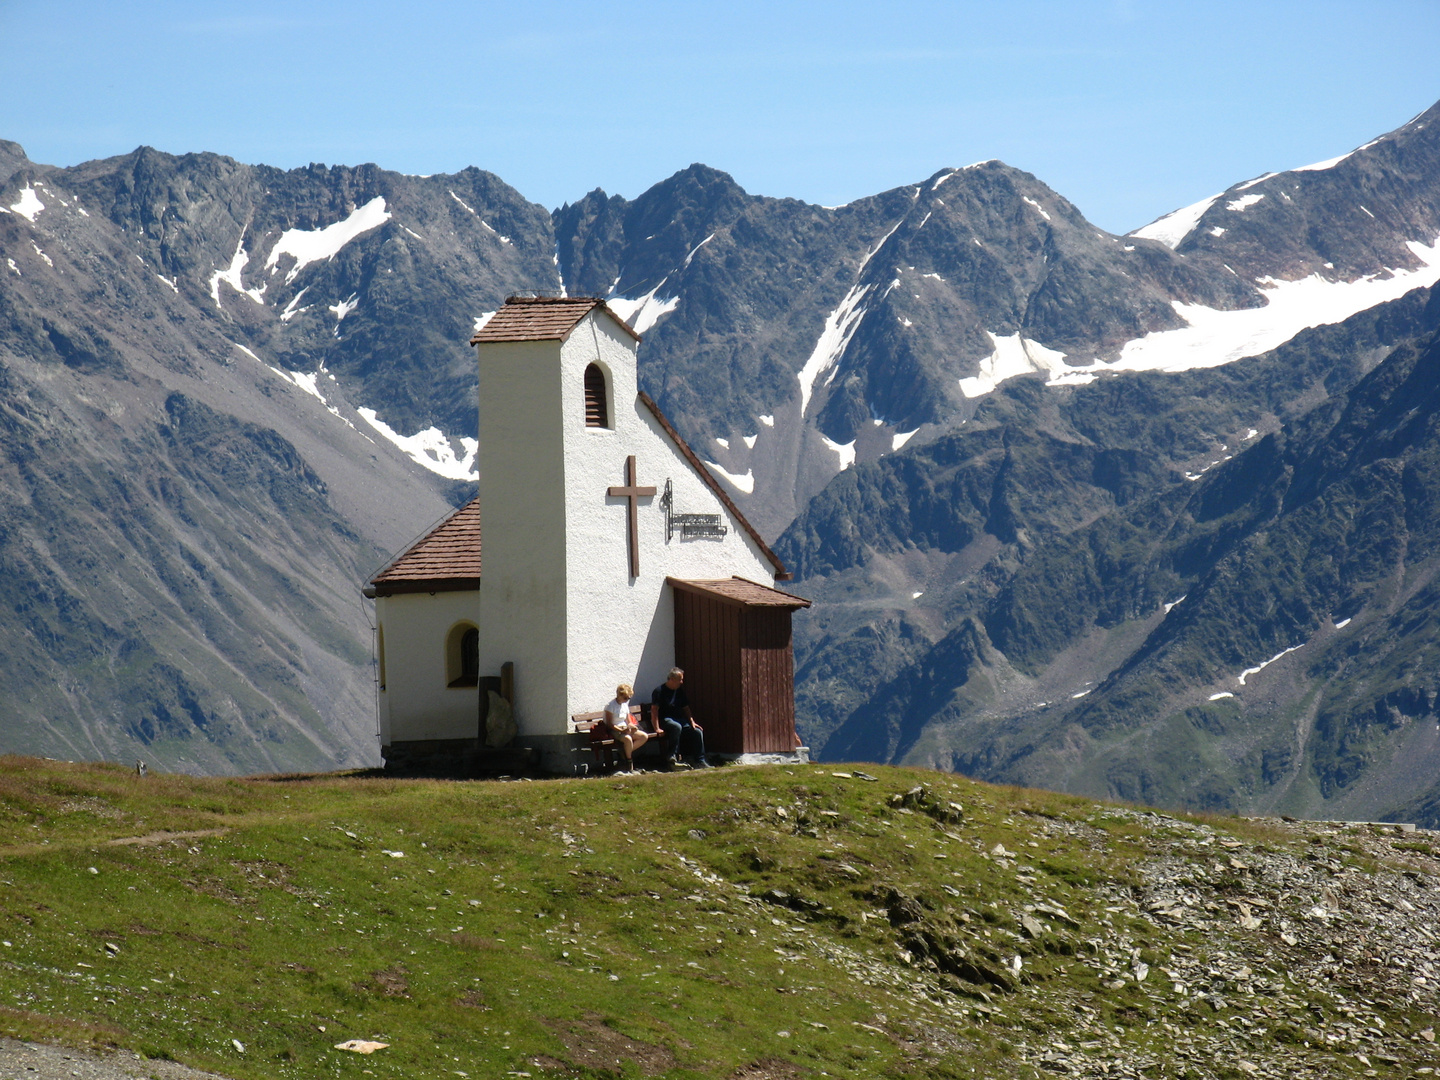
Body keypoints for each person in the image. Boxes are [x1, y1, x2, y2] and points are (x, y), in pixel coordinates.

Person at [650, 667, 709, 768]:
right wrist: (657, 728)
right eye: (680, 679)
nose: (682, 682)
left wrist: (692, 722)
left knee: (697, 731)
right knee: (676, 727)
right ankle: (672, 755)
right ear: (672, 679)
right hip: (665, 720)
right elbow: (654, 710)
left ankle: (700, 760)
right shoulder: (659, 691)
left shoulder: (679, 691)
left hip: (679, 719)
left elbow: (686, 708)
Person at [604, 683, 648, 770]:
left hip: (625, 728)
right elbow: (609, 724)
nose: (626, 700)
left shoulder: (625, 705)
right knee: (628, 738)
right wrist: (621, 730)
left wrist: (633, 727)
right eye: (625, 698)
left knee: (643, 736)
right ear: (619, 695)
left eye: (629, 698)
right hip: (614, 729)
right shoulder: (610, 706)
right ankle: (629, 761)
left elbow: (628, 721)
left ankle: (624, 753)